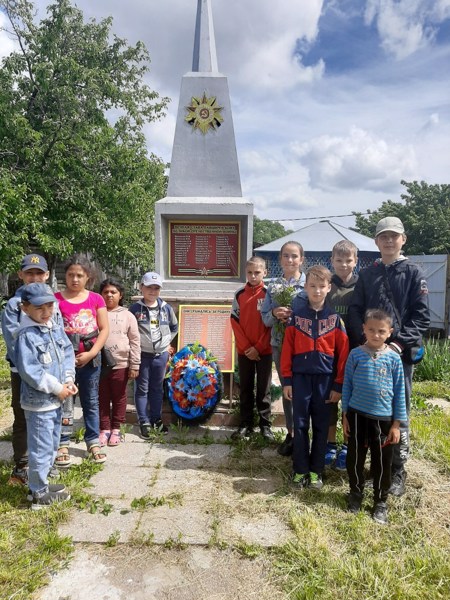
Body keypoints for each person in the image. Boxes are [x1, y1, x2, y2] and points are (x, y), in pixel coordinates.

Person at [348, 217, 429, 497]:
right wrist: (364, 342)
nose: (389, 241)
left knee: (397, 412)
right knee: (369, 410)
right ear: (376, 242)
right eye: (383, 236)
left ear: (403, 239)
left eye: (394, 236)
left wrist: (396, 345)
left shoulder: (414, 273)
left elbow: (421, 317)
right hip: (368, 356)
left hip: (398, 357)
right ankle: (376, 467)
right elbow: (355, 310)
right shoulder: (367, 274)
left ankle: (396, 471)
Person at [281, 266, 349, 490]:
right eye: (312, 286)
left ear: (329, 288)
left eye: (321, 286)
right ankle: (300, 470)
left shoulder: (335, 320)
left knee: (321, 425)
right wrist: (288, 381)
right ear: (305, 287)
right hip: (300, 380)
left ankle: (316, 471)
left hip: (325, 381)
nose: (317, 291)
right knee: (299, 425)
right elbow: (286, 351)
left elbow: (343, 356)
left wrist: (338, 384)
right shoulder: (296, 318)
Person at [14, 283, 77, 509]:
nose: (46, 311)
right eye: (40, 307)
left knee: (51, 444)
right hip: (39, 402)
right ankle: (38, 495)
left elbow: (67, 353)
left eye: (50, 306)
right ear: (25, 308)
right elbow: (30, 371)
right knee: (40, 448)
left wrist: (68, 380)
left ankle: (39, 484)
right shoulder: (26, 335)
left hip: (56, 399)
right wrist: (56, 387)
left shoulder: (53, 327)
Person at [342, 309, 407, 525]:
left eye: (381, 331)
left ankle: (380, 501)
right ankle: (356, 493)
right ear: (364, 329)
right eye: (371, 330)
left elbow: (399, 393)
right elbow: (347, 386)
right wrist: (345, 415)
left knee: (382, 463)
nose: (376, 335)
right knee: (355, 459)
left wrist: (397, 424)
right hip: (357, 416)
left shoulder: (394, 359)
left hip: (384, 420)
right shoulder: (356, 354)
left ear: (390, 332)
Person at [2, 253, 53, 487]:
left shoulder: (53, 302)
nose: (34, 277)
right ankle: (22, 464)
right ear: (21, 275)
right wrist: (31, 369)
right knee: (22, 415)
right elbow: (14, 342)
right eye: (29, 273)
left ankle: (44, 463)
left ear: (47, 275)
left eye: (39, 273)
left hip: (49, 371)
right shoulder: (14, 305)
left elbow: (58, 334)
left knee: (47, 414)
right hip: (23, 371)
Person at [55, 255, 109, 465]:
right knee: (65, 401)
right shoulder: (56, 299)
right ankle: (63, 443)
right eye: (70, 275)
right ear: (65, 276)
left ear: (88, 277)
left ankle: (93, 441)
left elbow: (104, 329)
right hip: (63, 361)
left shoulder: (96, 299)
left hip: (90, 359)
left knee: (91, 401)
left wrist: (92, 353)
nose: (75, 279)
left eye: (79, 275)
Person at [261, 241, 306, 456]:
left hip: (304, 346)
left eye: (294, 256)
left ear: (301, 259)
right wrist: (275, 314)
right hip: (280, 343)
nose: (290, 260)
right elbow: (265, 319)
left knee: (304, 391)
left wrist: (293, 317)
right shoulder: (273, 287)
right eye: (286, 256)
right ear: (280, 259)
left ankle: (305, 433)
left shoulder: (309, 284)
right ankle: (291, 434)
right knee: (288, 389)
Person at [129, 272, 178, 438]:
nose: (152, 291)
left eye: (156, 288)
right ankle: (144, 421)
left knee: (157, 388)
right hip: (142, 355)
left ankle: (156, 419)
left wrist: (166, 343)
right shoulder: (135, 309)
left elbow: (174, 327)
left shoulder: (166, 308)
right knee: (142, 389)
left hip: (160, 356)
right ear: (141, 287)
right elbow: (129, 331)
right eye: (149, 287)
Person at [230, 256, 273, 440]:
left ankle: (265, 425)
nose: (253, 276)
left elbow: (272, 324)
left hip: (264, 351)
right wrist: (248, 347)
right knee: (246, 388)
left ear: (265, 272)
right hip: (245, 351)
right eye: (250, 272)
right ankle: (245, 423)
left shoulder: (269, 293)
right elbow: (234, 320)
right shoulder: (239, 294)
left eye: (257, 272)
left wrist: (259, 347)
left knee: (264, 389)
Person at [325, 240, 359, 471]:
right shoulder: (327, 286)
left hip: (355, 352)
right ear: (332, 261)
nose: (344, 265)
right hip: (329, 353)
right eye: (339, 260)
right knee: (329, 400)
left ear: (356, 261)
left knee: (349, 401)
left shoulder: (362, 286)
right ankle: (329, 443)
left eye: (348, 260)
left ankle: (348, 445)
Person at [98, 279, 141, 446]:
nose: (109, 295)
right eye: (106, 292)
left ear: (120, 295)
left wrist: (134, 365)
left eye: (113, 292)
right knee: (102, 397)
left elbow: (135, 341)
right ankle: (104, 429)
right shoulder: (96, 312)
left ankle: (117, 428)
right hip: (100, 364)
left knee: (119, 397)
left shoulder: (127, 315)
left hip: (121, 364)